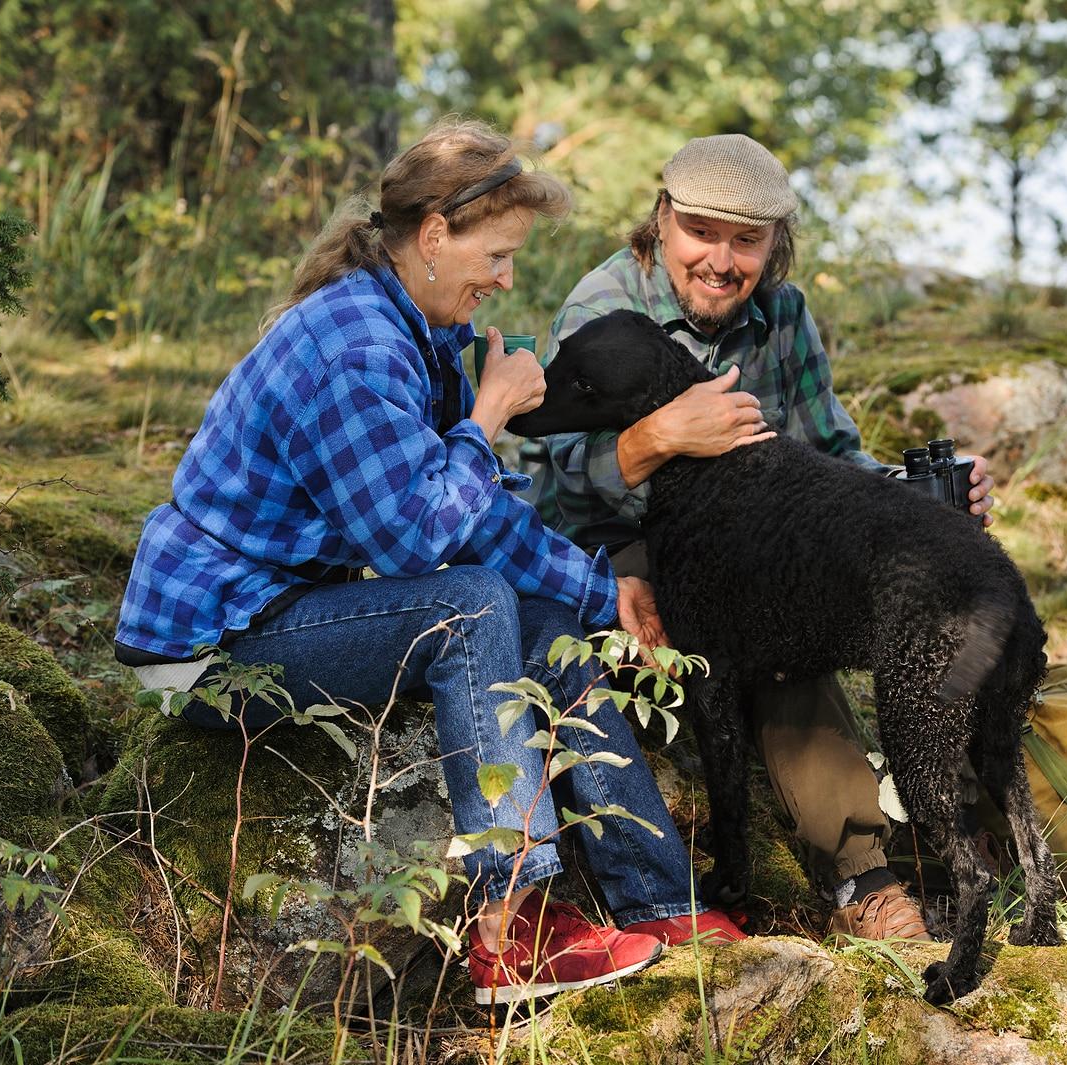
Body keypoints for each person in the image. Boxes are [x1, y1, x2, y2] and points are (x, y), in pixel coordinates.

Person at [113, 119, 742, 1007]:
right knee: (474, 607)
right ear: (435, 234)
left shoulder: (419, 328)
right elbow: (414, 543)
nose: (507, 278)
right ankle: (509, 929)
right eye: (498, 253)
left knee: (546, 621)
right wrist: (483, 421)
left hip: (286, 608)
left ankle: (657, 900)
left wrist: (609, 596)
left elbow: (477, 518)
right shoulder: (358, 349)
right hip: (212, 650)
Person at [532, 134, 997, 943]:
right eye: (702, 232)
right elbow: (557, 470)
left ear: (774, 245)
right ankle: (677, 887)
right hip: (616, 548)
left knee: (792, 631)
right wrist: (666, 436)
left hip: (744, 549)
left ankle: (865, 878)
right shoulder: (606, 304)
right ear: (662, 220)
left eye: (746, 240)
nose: (721, 259)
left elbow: (832, 456)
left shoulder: (782, 315)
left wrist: (920, 501)